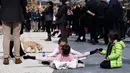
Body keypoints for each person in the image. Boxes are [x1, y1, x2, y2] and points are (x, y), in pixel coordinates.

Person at [23, 44, 97, 69]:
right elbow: (84, 54)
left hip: (59, 63)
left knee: (50, 61)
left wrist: (30, 57)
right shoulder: (71, 56)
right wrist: (95, 51)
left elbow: (42, 58)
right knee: (79, 61)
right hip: (68, 62)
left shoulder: (59, 56)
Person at [0, 0, 27, 65]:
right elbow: (24, 3)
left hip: (5, 15)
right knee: (16, 37)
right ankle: (17, 58)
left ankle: (6, 57)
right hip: (17, 15)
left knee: (6, 37)